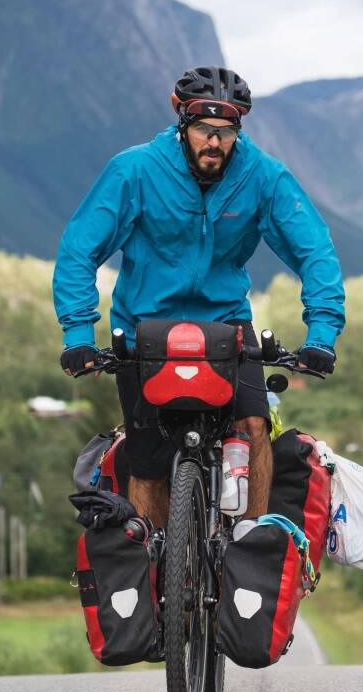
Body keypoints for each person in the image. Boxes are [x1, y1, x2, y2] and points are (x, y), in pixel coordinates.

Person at [52, 66, 345, 527]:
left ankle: (250, 547)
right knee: (147, 464)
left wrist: (322, 335)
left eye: (226, 131)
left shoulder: (263, 177)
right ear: (183, 124)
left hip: (225, 326)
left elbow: (316, 252)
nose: (214, 142)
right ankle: (155, 573)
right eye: (205, 129)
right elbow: (78, 250)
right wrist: (77, 333)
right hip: (144, 329)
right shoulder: (135, 170)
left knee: (253, 429)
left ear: (239, 130)